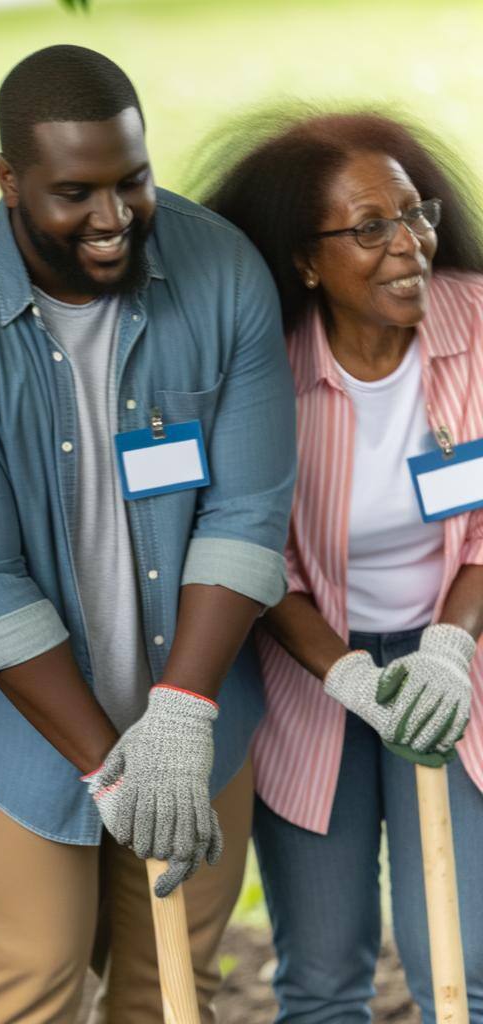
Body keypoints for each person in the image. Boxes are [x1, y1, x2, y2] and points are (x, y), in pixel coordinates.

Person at [0, 45, 296, 1023]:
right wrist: (110, 767)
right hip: (17, 721)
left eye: (130, 181)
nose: (112, 219)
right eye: (75, 193)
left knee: (171, 984)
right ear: (8, 180)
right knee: (32, 979)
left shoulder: (221, 270)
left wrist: (182, 717)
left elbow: (244, 509)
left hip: (201, 703)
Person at [197, 109, 483, 1021]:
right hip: (311, 678)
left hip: (459, 663)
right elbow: (256, 552)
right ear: (306, 262)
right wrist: (346, 671)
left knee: (464, 969)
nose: (410, 247)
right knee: (321, 980)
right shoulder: (265, 371)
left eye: (416, 213)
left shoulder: (478, 330)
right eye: (371, 229)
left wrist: (448, 648)